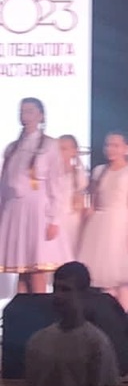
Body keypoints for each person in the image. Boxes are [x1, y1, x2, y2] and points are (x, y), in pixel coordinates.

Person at [21, 262, 121, 386]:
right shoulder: (38, 340)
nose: (58, 296)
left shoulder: (97, 343)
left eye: (66, 290)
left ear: (83, 294)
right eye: (56, 288)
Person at [0, 98, 63, 293]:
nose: (24, 115)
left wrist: (54, 219)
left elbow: (56, 183)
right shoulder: (12, 148)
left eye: (30, 111)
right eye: (22, 111)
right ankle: (23, 308)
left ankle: (40, 308)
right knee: (21, 268)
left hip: (37, 210)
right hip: (15, 209)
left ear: (40, 116)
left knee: (36, 268)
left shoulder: (50, 145)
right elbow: (4, 184)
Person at [78, 133, 128, 314]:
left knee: (122, 277)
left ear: (126, 148)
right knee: (105, 277)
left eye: (116, 145)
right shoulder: (99, 170)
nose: (110, 149)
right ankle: (109, 317)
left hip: (120, 223)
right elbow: (94, 201)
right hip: (100, 224)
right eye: (108, 145)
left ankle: (124, 318)